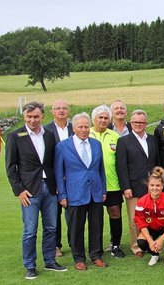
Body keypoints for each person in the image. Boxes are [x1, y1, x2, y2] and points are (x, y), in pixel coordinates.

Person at [6, 101, 66, 279]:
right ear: (25, 117)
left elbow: (53, 162)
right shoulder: (15, 136)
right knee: (30, 230)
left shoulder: (49, 135)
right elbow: (11, 167)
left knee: (51, 227)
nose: (32, 120)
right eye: (29, 117)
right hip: (29, 191)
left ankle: (50, 261)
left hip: (50, 188)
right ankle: (30, 265)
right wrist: (19, 190)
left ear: (42, 117)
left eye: (36, 117)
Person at [54, 113, 107, 271]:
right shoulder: (63, 146)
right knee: (76, 227)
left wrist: (103, 190)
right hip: (75, 193)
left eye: (86, 127)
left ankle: (96, 255)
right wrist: (62, 195)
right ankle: (79, 258)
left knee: (97, 225)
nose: (84, 130)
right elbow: (58, 173)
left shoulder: (96, 144)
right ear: (74, 128)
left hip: (95, 191)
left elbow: (100, 169)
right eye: (80, 127)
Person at [115, 110, 159, 258]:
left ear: (146, 123)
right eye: (135, 122)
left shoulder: (152, 140)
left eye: (141, 122)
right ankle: (136, 246)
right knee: (135, 218)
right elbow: (121, 167)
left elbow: (156, 163)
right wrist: (125, 186)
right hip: (133, 187)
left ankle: (154, 243)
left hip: (152, 187)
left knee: (153, 216)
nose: (138, 125)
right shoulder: (123, 141)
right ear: (131, 123)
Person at [89, 105, 125, 258]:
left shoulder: (114, 136)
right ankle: (96, 248)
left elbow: (120, 161)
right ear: (94, 119)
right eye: (100, 118)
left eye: (106, 118)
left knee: (115, 213)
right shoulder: (86, 133)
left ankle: (115, 245)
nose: (103, 120)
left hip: (112, 183)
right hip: (92, 184)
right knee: (95, 217)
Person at [43, 100, 73, 257]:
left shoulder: (74, 128)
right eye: (57, 108)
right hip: (53, 179)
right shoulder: (45, 130)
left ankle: (74, 243)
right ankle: (55, 246)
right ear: (52, 111)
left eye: (64, 108)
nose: (61, 111)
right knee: (54, 214)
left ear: (68, 111)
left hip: (73, 179)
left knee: (72, 214)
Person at [134, 167, 164, 266]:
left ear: (162, 186)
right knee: (141, 242)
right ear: (148, 186)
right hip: (151, 228)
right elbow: (141, 223)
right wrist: (150, 241)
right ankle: (155, 254)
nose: (155, 188)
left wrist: (161, 240)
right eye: (152, 185)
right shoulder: (141, 202)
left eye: (158, 185)